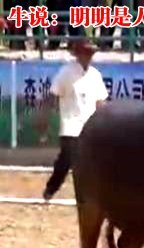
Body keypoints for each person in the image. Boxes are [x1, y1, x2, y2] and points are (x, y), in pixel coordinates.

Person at [36, 39, 109, 201]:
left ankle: (88, 196)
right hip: (71, 125)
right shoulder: (66, 73)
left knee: (92, 163)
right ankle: (51, 188)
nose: (88, 57)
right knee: (67, 159)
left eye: (90, 53)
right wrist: (44, 116)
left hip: (90, 127)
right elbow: (52, 95)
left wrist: (106, 121)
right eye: (86, 53)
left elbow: (101, 102)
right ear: (78, 54)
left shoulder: (95, 75)